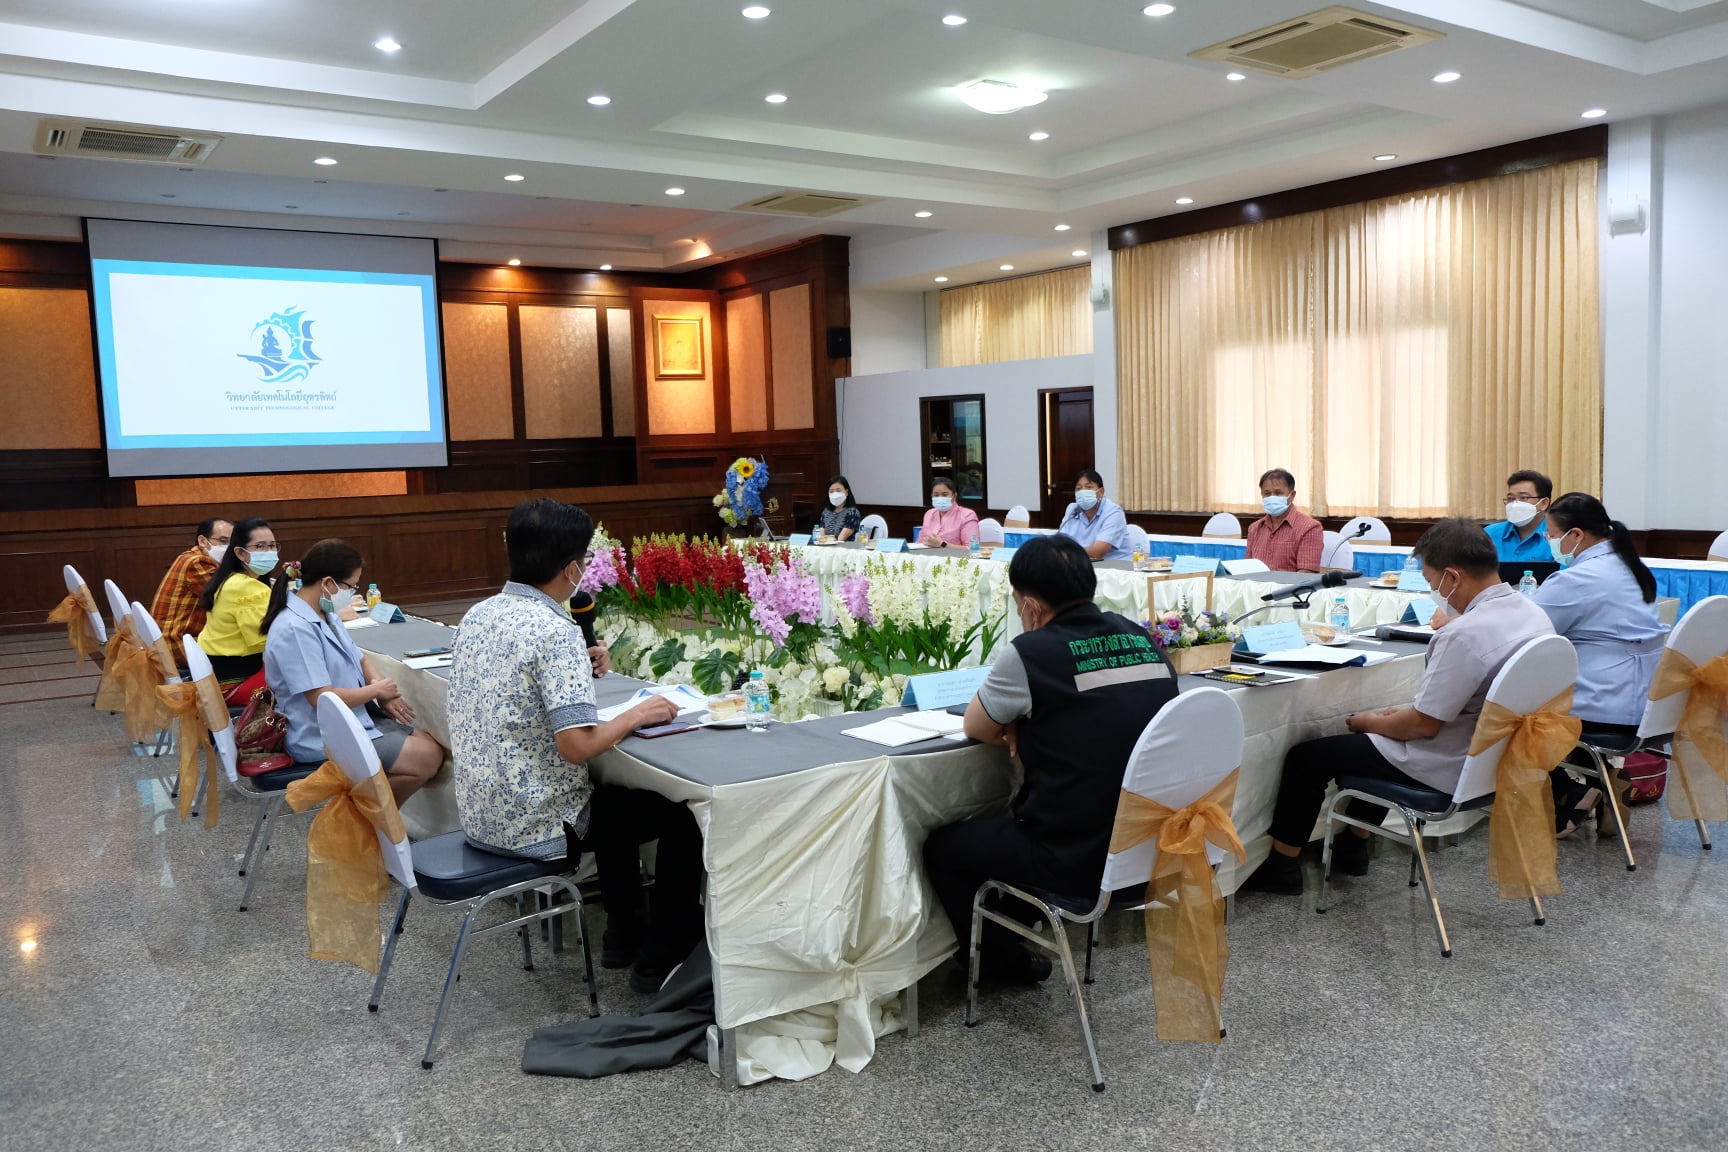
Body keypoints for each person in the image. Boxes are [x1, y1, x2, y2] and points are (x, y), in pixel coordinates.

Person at [448, 498, 704, 993]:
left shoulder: (480, 613)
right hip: (537, 823)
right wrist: (637, 714)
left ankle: (622, 933)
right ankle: (661, 953)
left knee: (614, 804)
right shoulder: (555, 630)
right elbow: (576, 747)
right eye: (584, 561)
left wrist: (576, 669)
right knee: (680, 814)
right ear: (571, 568)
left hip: (483, 811)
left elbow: (514, 689)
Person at [1242, 518, 1554, 895]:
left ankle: (1282, 866)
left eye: (1430, 581)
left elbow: (1422, 727)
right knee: (1375, 741)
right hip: (1498, 759)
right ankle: (1353, 847)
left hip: (1447, 763)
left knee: (1309, 757)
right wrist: (1385, 723)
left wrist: (1371, 722)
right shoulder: (1532, 613)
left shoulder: (1463, 633)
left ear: (1452, 576)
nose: (1433, 592)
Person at [924, 534, 1179, 983]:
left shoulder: (1031, 653)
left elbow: (976, 728)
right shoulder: (1140, 636)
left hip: (1074, 857)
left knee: (946, 847)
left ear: (1032, 607)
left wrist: (1020, 718)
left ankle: (1002, 964)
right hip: (1154, 846)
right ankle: (1015, 934)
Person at [262, 540, 444, 804]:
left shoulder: (325, 614)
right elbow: (321, 699)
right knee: (425, 759)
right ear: (327, 583)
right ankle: (355, 818)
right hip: (319, 733)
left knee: (429, 746)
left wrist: (382, 691)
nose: (352, 592)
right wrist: (377, 690)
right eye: (350, 586)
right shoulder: (295, 628)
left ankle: (370, 820)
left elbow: (361, 660)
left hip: (352, 717)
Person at [1534, 493, 1667, 833]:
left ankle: (1576, 791)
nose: (1549, 541)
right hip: (1651, 706)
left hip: (1606, 705)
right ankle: (1605, 779)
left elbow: (1529, 631)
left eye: (1551, 534)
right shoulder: (1630, 566)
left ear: (1575, 535)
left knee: (1509, 711)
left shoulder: (1579, 578)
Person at [196, 517, 278, 684]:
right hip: (237, 679)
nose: (269, 552)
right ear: (240, 552)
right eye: (260, 546)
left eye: (272, 546)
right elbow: (266, 638)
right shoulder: (245, 587)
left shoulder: (228, 578)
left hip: (215, 672)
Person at [149, 517, 231, 646]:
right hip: (179, 645)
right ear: (203, 541)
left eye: (233, 543)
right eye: (223, 541)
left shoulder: (191, 556)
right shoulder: (198, 562)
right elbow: (230, 598)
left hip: (172, 640)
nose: (229, 547)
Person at [1244, 468, 1323, 572]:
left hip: (1290, 587)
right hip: (1257, 587)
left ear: (1292, 496)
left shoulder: (1310, 527)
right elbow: (1247, 568)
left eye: (1278, 493)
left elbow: (1307, 573)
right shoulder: (1254, 528)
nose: (1272, 497)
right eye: (1267, 493)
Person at [1057, 469, 1131, 561]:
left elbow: (1098, 552)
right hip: (1082, 563)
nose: (1083, 492)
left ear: (1101, 492)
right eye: (1078, 488)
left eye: (1088, 487)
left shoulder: (1113, 512)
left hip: (1115, 568)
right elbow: (1060, 542)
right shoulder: (1072, 509)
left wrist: (1067, 551)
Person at [1486, 470, 1555, 563]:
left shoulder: (1558, 538)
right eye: (1510, 498)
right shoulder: (1489, 534)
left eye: (1523, 498)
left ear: (1543, 503)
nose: (1515, 504)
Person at [919, 475, 980, 548]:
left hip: (956, 558)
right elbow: (920, 542)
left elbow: (973, 548)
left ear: (954, 496)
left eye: (945, 495)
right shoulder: (929, 514)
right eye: (936, 495)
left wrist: (943, 544)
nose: (940, 498)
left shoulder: (967, 515)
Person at [817, 474, 862, 542]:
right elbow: (822, 537)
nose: (835, 494)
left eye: (838, 490)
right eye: (831, 491)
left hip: (844, 549)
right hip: (826, 548)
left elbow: (841, 539)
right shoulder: (826, 512)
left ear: (846, 492)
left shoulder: (853, 512)